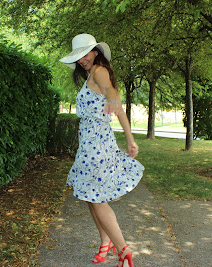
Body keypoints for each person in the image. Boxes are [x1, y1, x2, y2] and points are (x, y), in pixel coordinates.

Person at [60, 33, 144, 267]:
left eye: (85, 54)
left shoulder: (98, 71)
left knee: (96, 198)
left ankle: (124, 251)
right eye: (78, 57)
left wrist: (129, 139)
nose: (82, 60)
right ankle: (105, 243)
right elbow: (115, 104)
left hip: (97, 145)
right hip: (88, 144)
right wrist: (128, 138)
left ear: (95, 52)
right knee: (90, 196)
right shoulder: (89, 76)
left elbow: (112, 94)